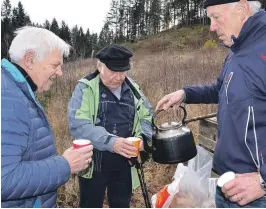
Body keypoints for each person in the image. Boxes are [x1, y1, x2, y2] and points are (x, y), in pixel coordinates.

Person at [156, 0, 266, 207]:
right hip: (228, 182)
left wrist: (263, 181)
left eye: (216, 17)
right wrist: (185, 93)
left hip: (256, 192)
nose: (212, 27)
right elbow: (220, 89)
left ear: (242, 9)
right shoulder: (236, 49)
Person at [1, 27, 93, 208]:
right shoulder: (8, 99)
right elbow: (4, 179)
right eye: (55, 65)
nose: (60, 72)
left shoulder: (15, 90)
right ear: (30, 59)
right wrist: (65, 165)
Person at [68, 44, 153, 208]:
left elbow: (147, 116)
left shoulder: (133, 88)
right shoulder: (86, 87)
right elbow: (78, 125)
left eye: (123, 71)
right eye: (113, 71)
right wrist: (112, 143)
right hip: (93, 163)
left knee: (122, 203)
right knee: (90, 204)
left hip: (125, 162)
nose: (119, 77)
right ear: (99, 66)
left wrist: (143, 138)